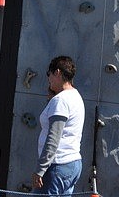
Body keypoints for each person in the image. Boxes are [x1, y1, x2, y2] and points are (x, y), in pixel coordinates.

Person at [32, 56, 85, 196]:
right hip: (73, 163)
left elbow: (53, 138)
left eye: (48, 75)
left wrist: (40, 169)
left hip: (57, 164)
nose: (48, 79)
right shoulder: (75, 96)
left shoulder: (60, 100)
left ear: (57, 72)